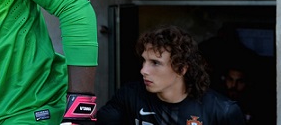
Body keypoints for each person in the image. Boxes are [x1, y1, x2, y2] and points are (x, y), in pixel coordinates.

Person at [96, 26, 246, 125]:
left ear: (181, 69)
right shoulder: (130, 96)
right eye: (144, 61)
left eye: (155, 63)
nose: (143, 70)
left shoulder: (222, 111)